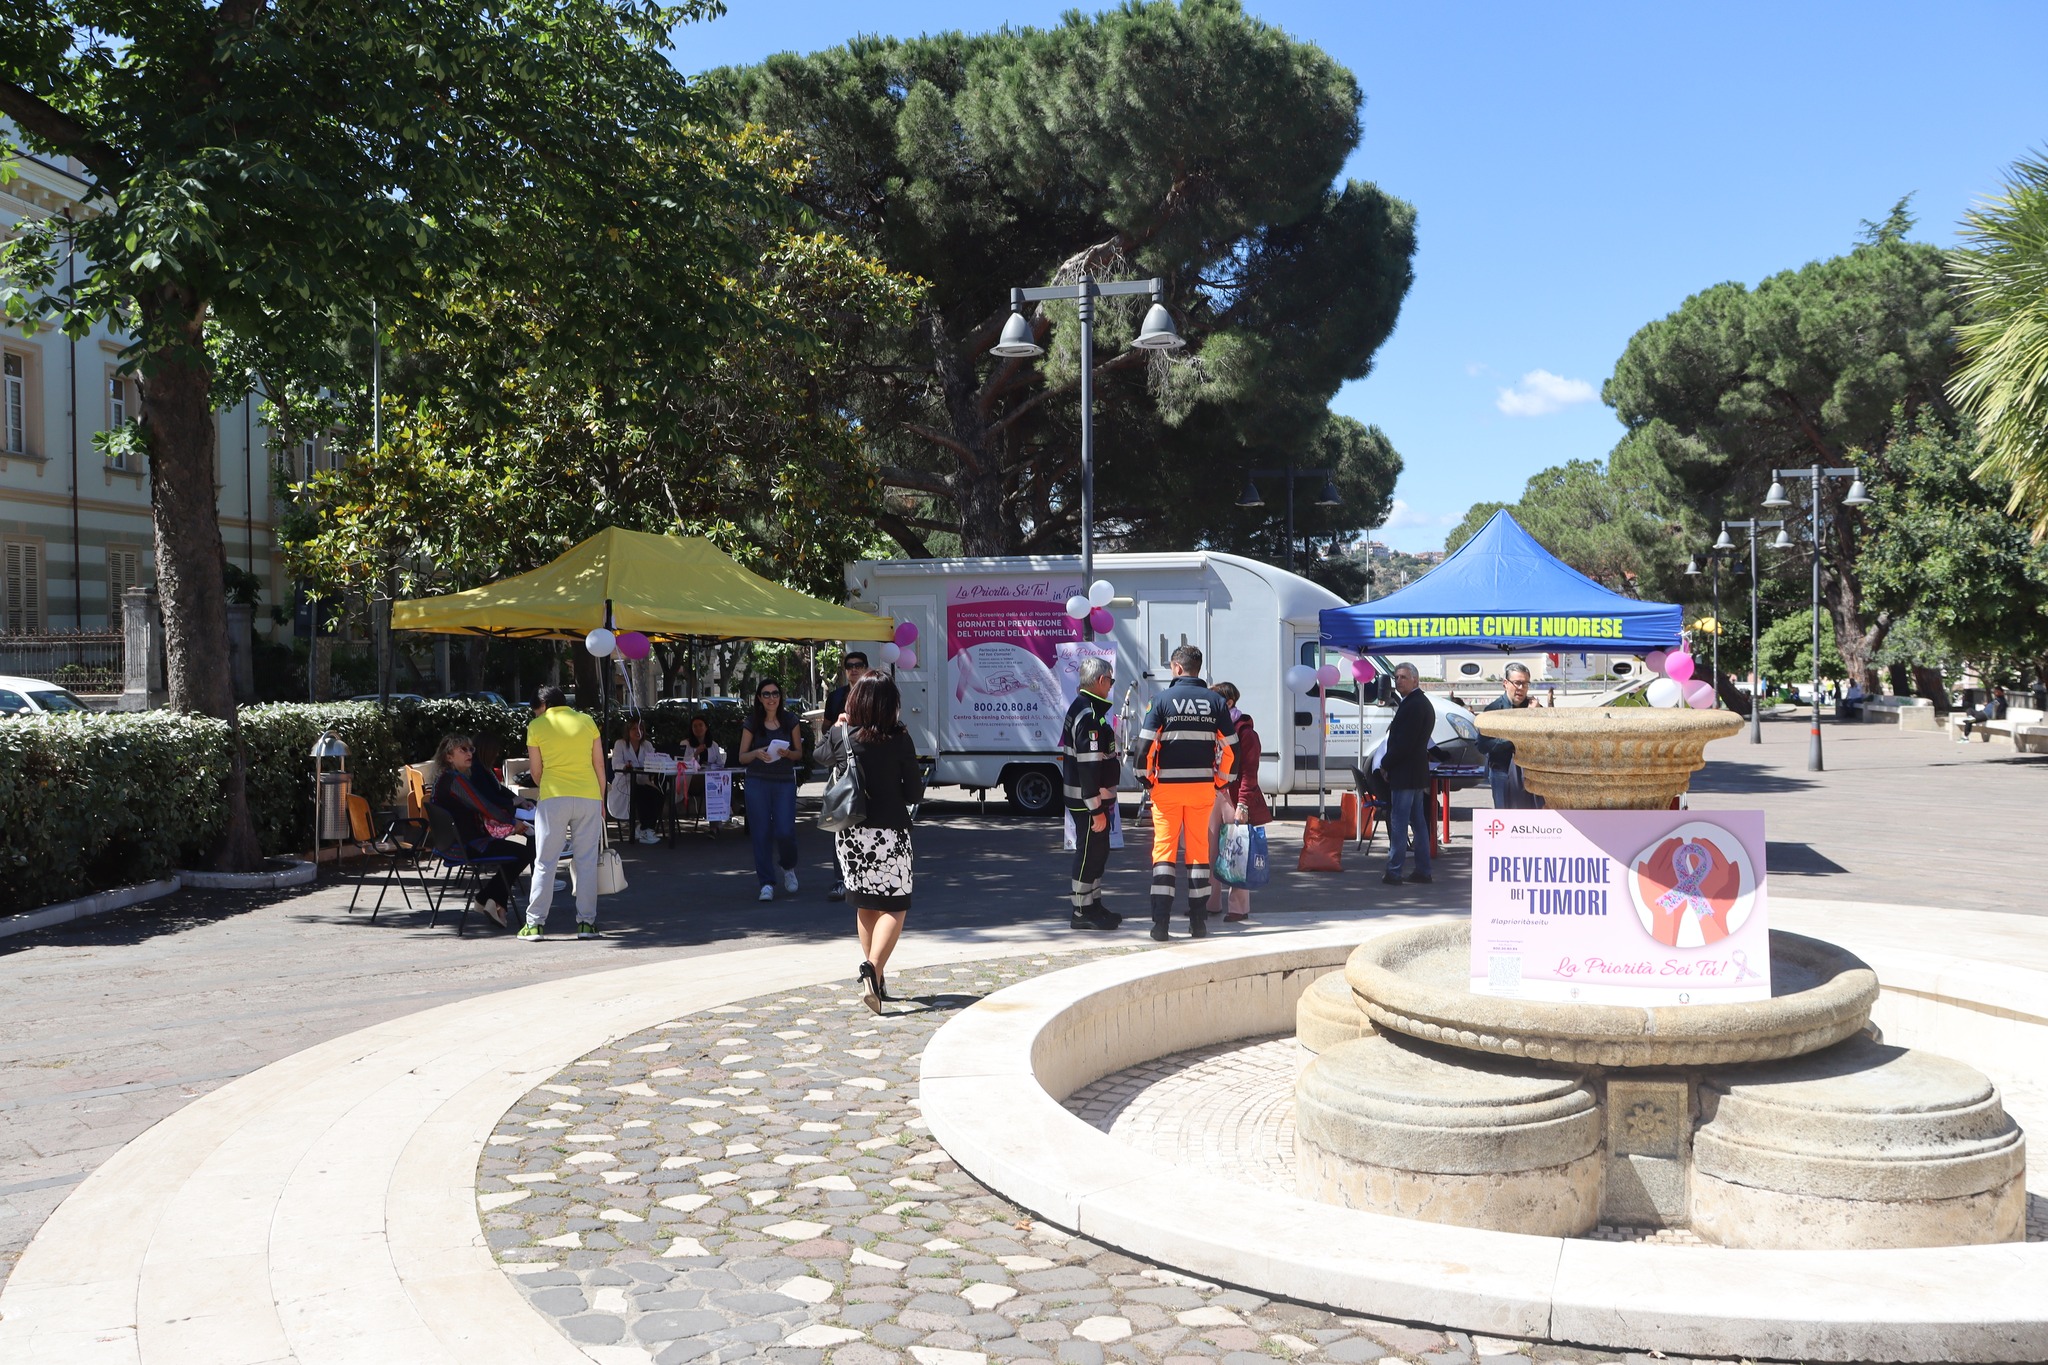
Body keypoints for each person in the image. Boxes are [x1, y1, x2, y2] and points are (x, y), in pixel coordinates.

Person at [817, 674, 925, 1013]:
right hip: (890, 831)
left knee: (866, 904)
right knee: (896, 905)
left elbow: (819, 756)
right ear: (890, 704)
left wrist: (837, 726)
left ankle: (875, 981)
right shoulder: (900, 739)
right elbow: (913, 792)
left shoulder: (842, 737)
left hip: (851, 832)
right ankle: (873, 968)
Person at [1132, 644, 1235, 941]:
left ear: (1177, 668)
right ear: (1197, 668)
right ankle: (1198, 923)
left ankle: (1160, 925)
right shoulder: (1215, 702)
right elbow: (1232, 748)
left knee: (1163, 853)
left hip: (1166, 791)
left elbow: (1144, 748)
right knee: (1198, 853)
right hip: (1202, 789)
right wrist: (1220, 781)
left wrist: (1147, 779)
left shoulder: (1161, 701)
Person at [522, 686, 606, 940]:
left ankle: (535, 924)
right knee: (586, 862)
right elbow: (599, 764)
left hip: (553, 797)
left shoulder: (537, 726)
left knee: (545, 862)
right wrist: (601, 799)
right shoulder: (587, 721)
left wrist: (546, 784)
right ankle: (586, 924)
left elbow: (536, 772)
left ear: (544, 706)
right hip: (589, 796)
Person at [429, 733, 535, 929]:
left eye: (471, 749)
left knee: (519, 851)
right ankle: (489, 899)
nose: (469, 753)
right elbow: (486, 807)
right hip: (465, 846)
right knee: (525, 851)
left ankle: (490, 900)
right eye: (463, 750)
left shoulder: (447, 778)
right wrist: (513, 823)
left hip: (454, 843)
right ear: (448, 757)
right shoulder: (455, 781)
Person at [1060, 656, 1123, 931]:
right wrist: (1096, 808)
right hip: (1087, 801)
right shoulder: (1087, 714)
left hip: (1090, 798)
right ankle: (1081, 910)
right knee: (1089, 854)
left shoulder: (1088, 709)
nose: (1111, 686)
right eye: (1110, 680)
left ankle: (1093, 905)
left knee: (1098, 853)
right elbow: (1088, 766)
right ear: (1100, 680)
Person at [738, 677, 805, 900]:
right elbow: (742, 757)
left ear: (780, 697)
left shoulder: (790, 720)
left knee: (785, 831)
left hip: (784, 781)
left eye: (775, 693)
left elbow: (798, 754)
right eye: (766, 694)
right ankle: (766, 883)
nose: (771, 698)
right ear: (759, 698)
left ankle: (788, 867)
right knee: (761, 833)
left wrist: (787, 753)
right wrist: (757, 753)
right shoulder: (752, 723)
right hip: (757, 781)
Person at [1211, 681, 1269, 924]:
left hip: (1234, 797)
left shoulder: (1245, 732)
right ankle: (1210, 902)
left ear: (1229, 703)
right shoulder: (1211, 729)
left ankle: (1238, 907)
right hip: (1212, 794)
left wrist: (1243, 804)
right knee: (1210, 851)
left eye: (1214, 701)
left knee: (1237, 851)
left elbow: (1249, 772)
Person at [1381, 662, 1435, 886]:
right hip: (1415, 772)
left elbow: (1404, 743)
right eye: (1396, 677)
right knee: (1417, 822)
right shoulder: (1417, 702)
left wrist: (1386, 763)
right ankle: (1422, 870)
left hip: (1405, 772)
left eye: (1403, 677)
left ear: (1415, 679)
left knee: (1400, 822)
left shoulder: (1414, 705)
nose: (1398, 680)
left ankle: (1395, 870)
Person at [824, 651, 870, 902]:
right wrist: (837, 727)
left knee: (868, 823)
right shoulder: (836, 696)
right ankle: (840, 879)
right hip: (843, 770)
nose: (853, 670)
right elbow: (825, 730)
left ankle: (864, 877)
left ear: (866, 668)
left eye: (858, 666)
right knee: (840, 824)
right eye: (849, 666)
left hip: (870, 765)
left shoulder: (874, 692)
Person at [1478, 662, 1543, 811]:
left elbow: (1545, 738)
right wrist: (1513, 740)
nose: (1521, 688)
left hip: (1530, 773)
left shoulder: (1533, 708)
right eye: (1518, 683)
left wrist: (1535, 714)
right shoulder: (1494, 710)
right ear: (1505, 684)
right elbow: (1482, 745)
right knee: (1505, 818)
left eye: (1525, 684)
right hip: (1502, 772)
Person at [610, 717, 666, 845]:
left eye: (640, 728)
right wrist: (625, 766)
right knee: (641, 794)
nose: (638, 731)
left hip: (643, 780)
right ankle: (644, 829)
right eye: (634, 728)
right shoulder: (620, 744)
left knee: (658, 795)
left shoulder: (647, 745)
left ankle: (645, 828)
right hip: (625, 783)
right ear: (628, 731)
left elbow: (655, 761)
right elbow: (615, 764)